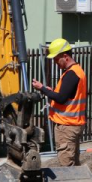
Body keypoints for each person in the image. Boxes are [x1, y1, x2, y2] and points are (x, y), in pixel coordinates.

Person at [32, 38, 86, 167]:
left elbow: (61, 98)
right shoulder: (76, 71)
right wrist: (52, 92)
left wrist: (42, 88)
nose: (55, 62)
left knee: (66, 164)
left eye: (56, 59)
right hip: (73, 124)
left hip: (67, 126)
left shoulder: (71, 74)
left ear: (65, 57)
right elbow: (67, 96)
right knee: (73, 163)